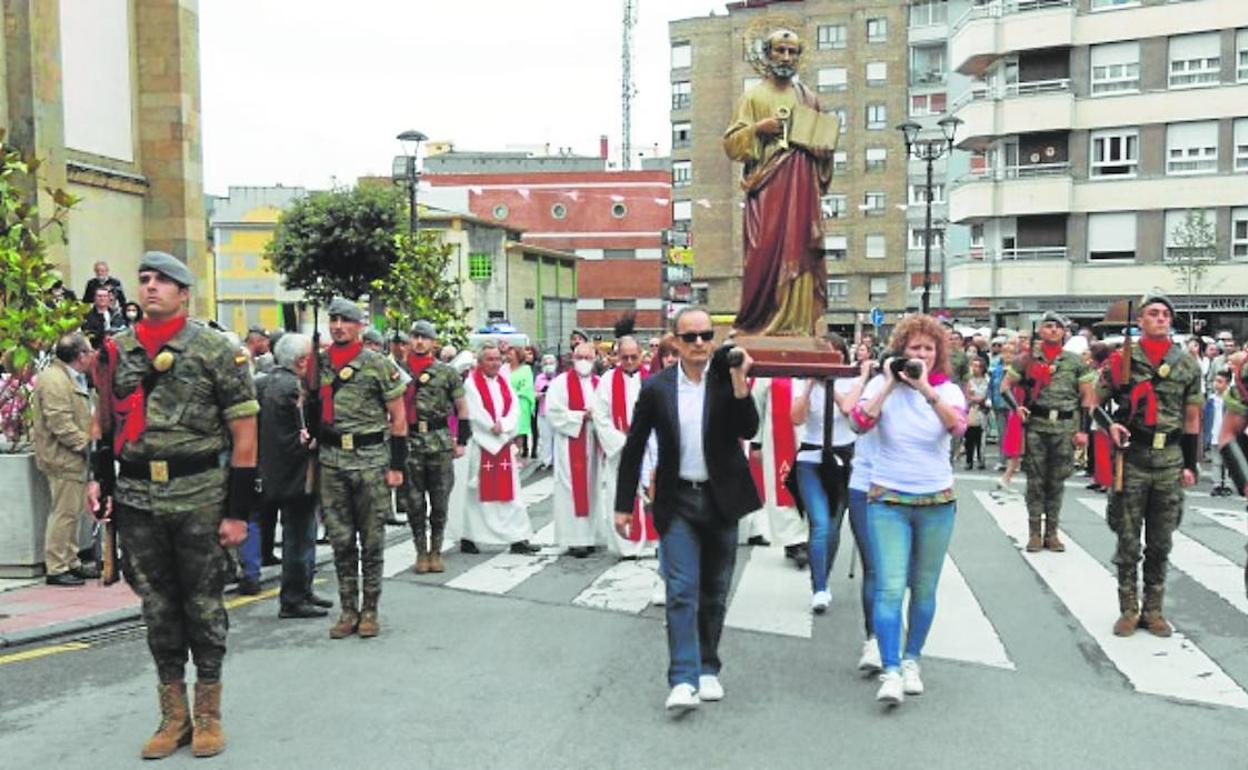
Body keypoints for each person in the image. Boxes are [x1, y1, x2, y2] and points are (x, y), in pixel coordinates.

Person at [89, 251, 258, 758]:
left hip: (200, 496)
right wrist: (99, 483)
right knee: (158, 609)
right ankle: (172, 715)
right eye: (144, 279)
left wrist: (238, 512)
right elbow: (105, 424)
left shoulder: (216, 350)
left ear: (184, 293)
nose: (151, 287)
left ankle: (208, 712)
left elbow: (244, 435)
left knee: (204, 608)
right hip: (139, 498)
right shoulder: (117, 350)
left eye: (163, 280)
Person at [613, 307, 760, 714]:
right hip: (677, 500)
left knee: (714, 592)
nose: (699, 343)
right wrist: (623, 505)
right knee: (680, 590)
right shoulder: (657, 388)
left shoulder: (725, 380)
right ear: (675, 342)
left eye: (706, 335)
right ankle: (682, 677)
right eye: (690, 337)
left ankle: (707, 666)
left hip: (721, 500)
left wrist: (739, 381)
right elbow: (635, 445)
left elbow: (749, 429)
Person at [850, 314, 967, 706]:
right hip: (888, 501)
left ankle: (912, 658)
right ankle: (891, 668)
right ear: (901, 351)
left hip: (936, 501)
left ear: (938, 355)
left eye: (928, 349)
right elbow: (860, 422)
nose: (921, 355)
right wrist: (887, 381)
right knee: (888, 585)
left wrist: (924, 389)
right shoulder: (883, 388)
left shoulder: (948, 391)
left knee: (924, 587)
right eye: (914, 348)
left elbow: (957, 428)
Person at [1095, 291, 1202, 638]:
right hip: (1133, 457)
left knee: (1161, 541)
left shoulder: (1186, 363)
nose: (1160, 318)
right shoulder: (1121, 360)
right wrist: (1109, 424)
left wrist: (1191, 463)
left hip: (1170, 459)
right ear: (1139, 320)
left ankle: (1153, 610)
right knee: (1128, 540)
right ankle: (1128, 608)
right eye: (1153, 313)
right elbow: (1094, 403)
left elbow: (1191, 418)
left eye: (1166, 315)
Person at [723, 29, 836, 336]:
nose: (787, 57)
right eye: (780, 50)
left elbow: (825, 147)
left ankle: (797, 324)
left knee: (799, 249)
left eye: (793, 52)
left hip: (802, 187)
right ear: (767, 54)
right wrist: (760, 128)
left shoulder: (809, 98)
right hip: (767, 186)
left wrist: (823, 152)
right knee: (762, 251)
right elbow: (732, 144)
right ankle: (758, 321)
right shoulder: (753, 97)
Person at [316, 298, 407, 640]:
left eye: (345, 320)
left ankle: (370, 609)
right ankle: (347, 609)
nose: (338, 326)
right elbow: (310, 404)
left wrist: (396, 466)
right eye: (333, 320)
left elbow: (398, 418)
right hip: (331, 461)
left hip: (370, 461)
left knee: (371, 540)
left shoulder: (378, 364)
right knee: (340, 541)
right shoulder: (319, 363)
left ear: (358, 326)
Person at [1003, 311, 1094, 552]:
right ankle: (1034, 533)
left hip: (1065, 429)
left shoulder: (1075, 362)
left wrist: (1083, 430)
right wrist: (1017, 407)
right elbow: (1005, 387)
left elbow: (1087, 397)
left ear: (1064, 333)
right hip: (1037, 427)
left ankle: (1052, 533)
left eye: (1058, 327)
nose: (1053, 330)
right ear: (1040, 331)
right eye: (1049, 326)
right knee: (1035, 482)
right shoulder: (1027, 359)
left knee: (1057, 481)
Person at [790, 334, 868, 613]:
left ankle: (823, 573)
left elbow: (849, 410)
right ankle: (819, 586)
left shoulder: (852, 379)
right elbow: (796, 417)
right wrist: (812, 382)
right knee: (820, 523)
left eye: (831, 354)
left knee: (834, 526)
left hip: (843, 458)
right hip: (811, 458)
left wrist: (831, 383)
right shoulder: (801, 381)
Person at [256, 333, 327, 619]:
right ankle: (295, 597)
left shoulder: (265, 382)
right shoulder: (291, 389)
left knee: (301, 534)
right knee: (298, 535)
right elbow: (300, 436)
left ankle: (304, 589)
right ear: (301, 361)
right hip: (294, 472)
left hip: (278, 471)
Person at [458, 341, 539, 555]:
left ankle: (517, 537)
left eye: (497, 359)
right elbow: (474, 411)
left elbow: (514, 407)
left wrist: (504, 425)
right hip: (482, 445)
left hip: (502, 443)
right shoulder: (471, 384)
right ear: (480, 361)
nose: (494, 363)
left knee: (511, 494)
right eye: (489, 359)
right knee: (476, 496)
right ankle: (470, 536)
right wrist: (491, 426)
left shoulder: (505, 381)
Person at [399, 320, 467, 574]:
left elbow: (462, 408)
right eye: (415, 336)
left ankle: (436, 550)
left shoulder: (447, 372)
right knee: (414, 502)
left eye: (424, 337)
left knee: (439, 501)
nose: (419, 341)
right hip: (409, 443)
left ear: (433, 342)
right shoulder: (398, 371)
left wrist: (461, 441)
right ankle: (421, 551)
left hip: (439, 442)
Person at [32, 332, 98, 586]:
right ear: (80, 356)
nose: (93, 355)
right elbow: (60, 423)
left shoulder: (72, 377)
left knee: (73, 511)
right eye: (90, 351)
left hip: (74, 456)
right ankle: (57, 566)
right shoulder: (54, 380)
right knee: (64, 512)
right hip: (62, 457)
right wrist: (87, 446)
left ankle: (71, 560)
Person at [545, 342, 603, 557]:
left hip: (594, 441)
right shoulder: (560, 383)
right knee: (571, 489)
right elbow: (553, 413)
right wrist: (581, 416)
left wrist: (596, 416)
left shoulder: (600, 383)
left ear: (595, 358)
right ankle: (574, 539)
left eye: (588, 358)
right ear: (573, 358)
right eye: (580, 357)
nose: (584, 362)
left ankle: (591, 536)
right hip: (570, 442)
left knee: (593, 489)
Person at [749, 376, 807, 567]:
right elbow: (757, 404)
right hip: (779, 436)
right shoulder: (770, 372)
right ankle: (794, 541)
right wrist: (756, 442)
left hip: (811, 436)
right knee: (784, 485)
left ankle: (809, 537)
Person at [507, 345, 535, 459]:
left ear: (518, 356)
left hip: (520, 403)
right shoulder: (504, 368)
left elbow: (527, 387)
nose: (508, 356)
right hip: (507, 403)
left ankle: (517, 454)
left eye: (511, 354)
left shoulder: (526, 369)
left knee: (519, 430)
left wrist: (514, 394)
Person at [963, 357, 990, 471]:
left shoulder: (987, 380)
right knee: (970, 436)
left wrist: (983, 400)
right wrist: (971, 399)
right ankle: (969, 460)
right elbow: (967, 394)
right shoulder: (969, 380)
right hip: (972, 410)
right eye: (973, 366)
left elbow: (989, 394)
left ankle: (981, 459)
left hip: (983, 410)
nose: (975, 368)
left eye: (978, 366)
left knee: (981, 436)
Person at [534, 353, 558, 468]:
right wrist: (540, 394)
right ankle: (545, 460)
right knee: (545, 437)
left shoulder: (558, 378)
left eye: (551, 363)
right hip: (543, 411)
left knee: (555, 437)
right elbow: (534, 392)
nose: (549, 365)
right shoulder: (539, 378)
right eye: (546, 363)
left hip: (555, 412)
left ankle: (555, 460)